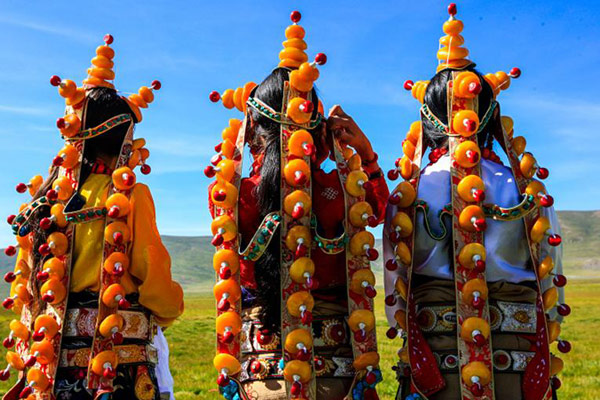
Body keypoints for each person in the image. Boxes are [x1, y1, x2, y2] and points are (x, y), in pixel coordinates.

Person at [383, 4, 568, 400]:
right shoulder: (524, 187)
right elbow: (550, 279)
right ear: (491, 114)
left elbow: (394, 289)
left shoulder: (410, 190)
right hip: (515, 364)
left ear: (429, 118)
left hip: (434, 360)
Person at [206, 11, 389, 400]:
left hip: (260, 370)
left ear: (254, 125)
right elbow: (381, 210)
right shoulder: (340, 186)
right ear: (317, 122)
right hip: (336, 370)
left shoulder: (232, 190)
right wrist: (366, 155)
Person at [2, 35, 183, 400]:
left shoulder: (42, 200)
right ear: (123, 140)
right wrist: (169, 309)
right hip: (114, 368)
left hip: (50, 368)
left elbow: (27, 285)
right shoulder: (130, 195)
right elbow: (154, 279)